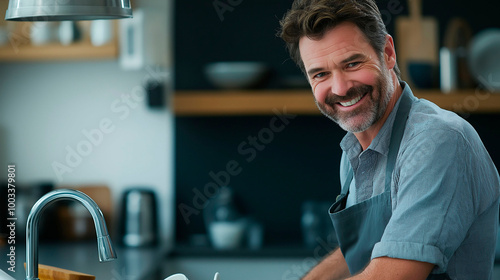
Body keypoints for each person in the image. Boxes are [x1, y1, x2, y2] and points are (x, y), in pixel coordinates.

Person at [278, 0, 500, 279]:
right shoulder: (353, 152)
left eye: (352, 63)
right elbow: (373, 247)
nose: (340, 87)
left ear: (388, 53)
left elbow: (391, 275)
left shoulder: (437, 140)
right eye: (321, 74)